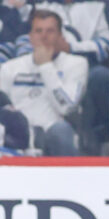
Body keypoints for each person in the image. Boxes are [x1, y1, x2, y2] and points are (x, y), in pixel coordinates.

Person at [0, 8, 86, 156]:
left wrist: (45, 66)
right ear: (31, 37)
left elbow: (66, 107)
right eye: (38, 31)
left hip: (53, 137)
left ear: (60, 36)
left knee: (60, 130)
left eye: (50, 31)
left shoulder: (76, 64)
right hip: (18, 140)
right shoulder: (10, 68)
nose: (44, 36)